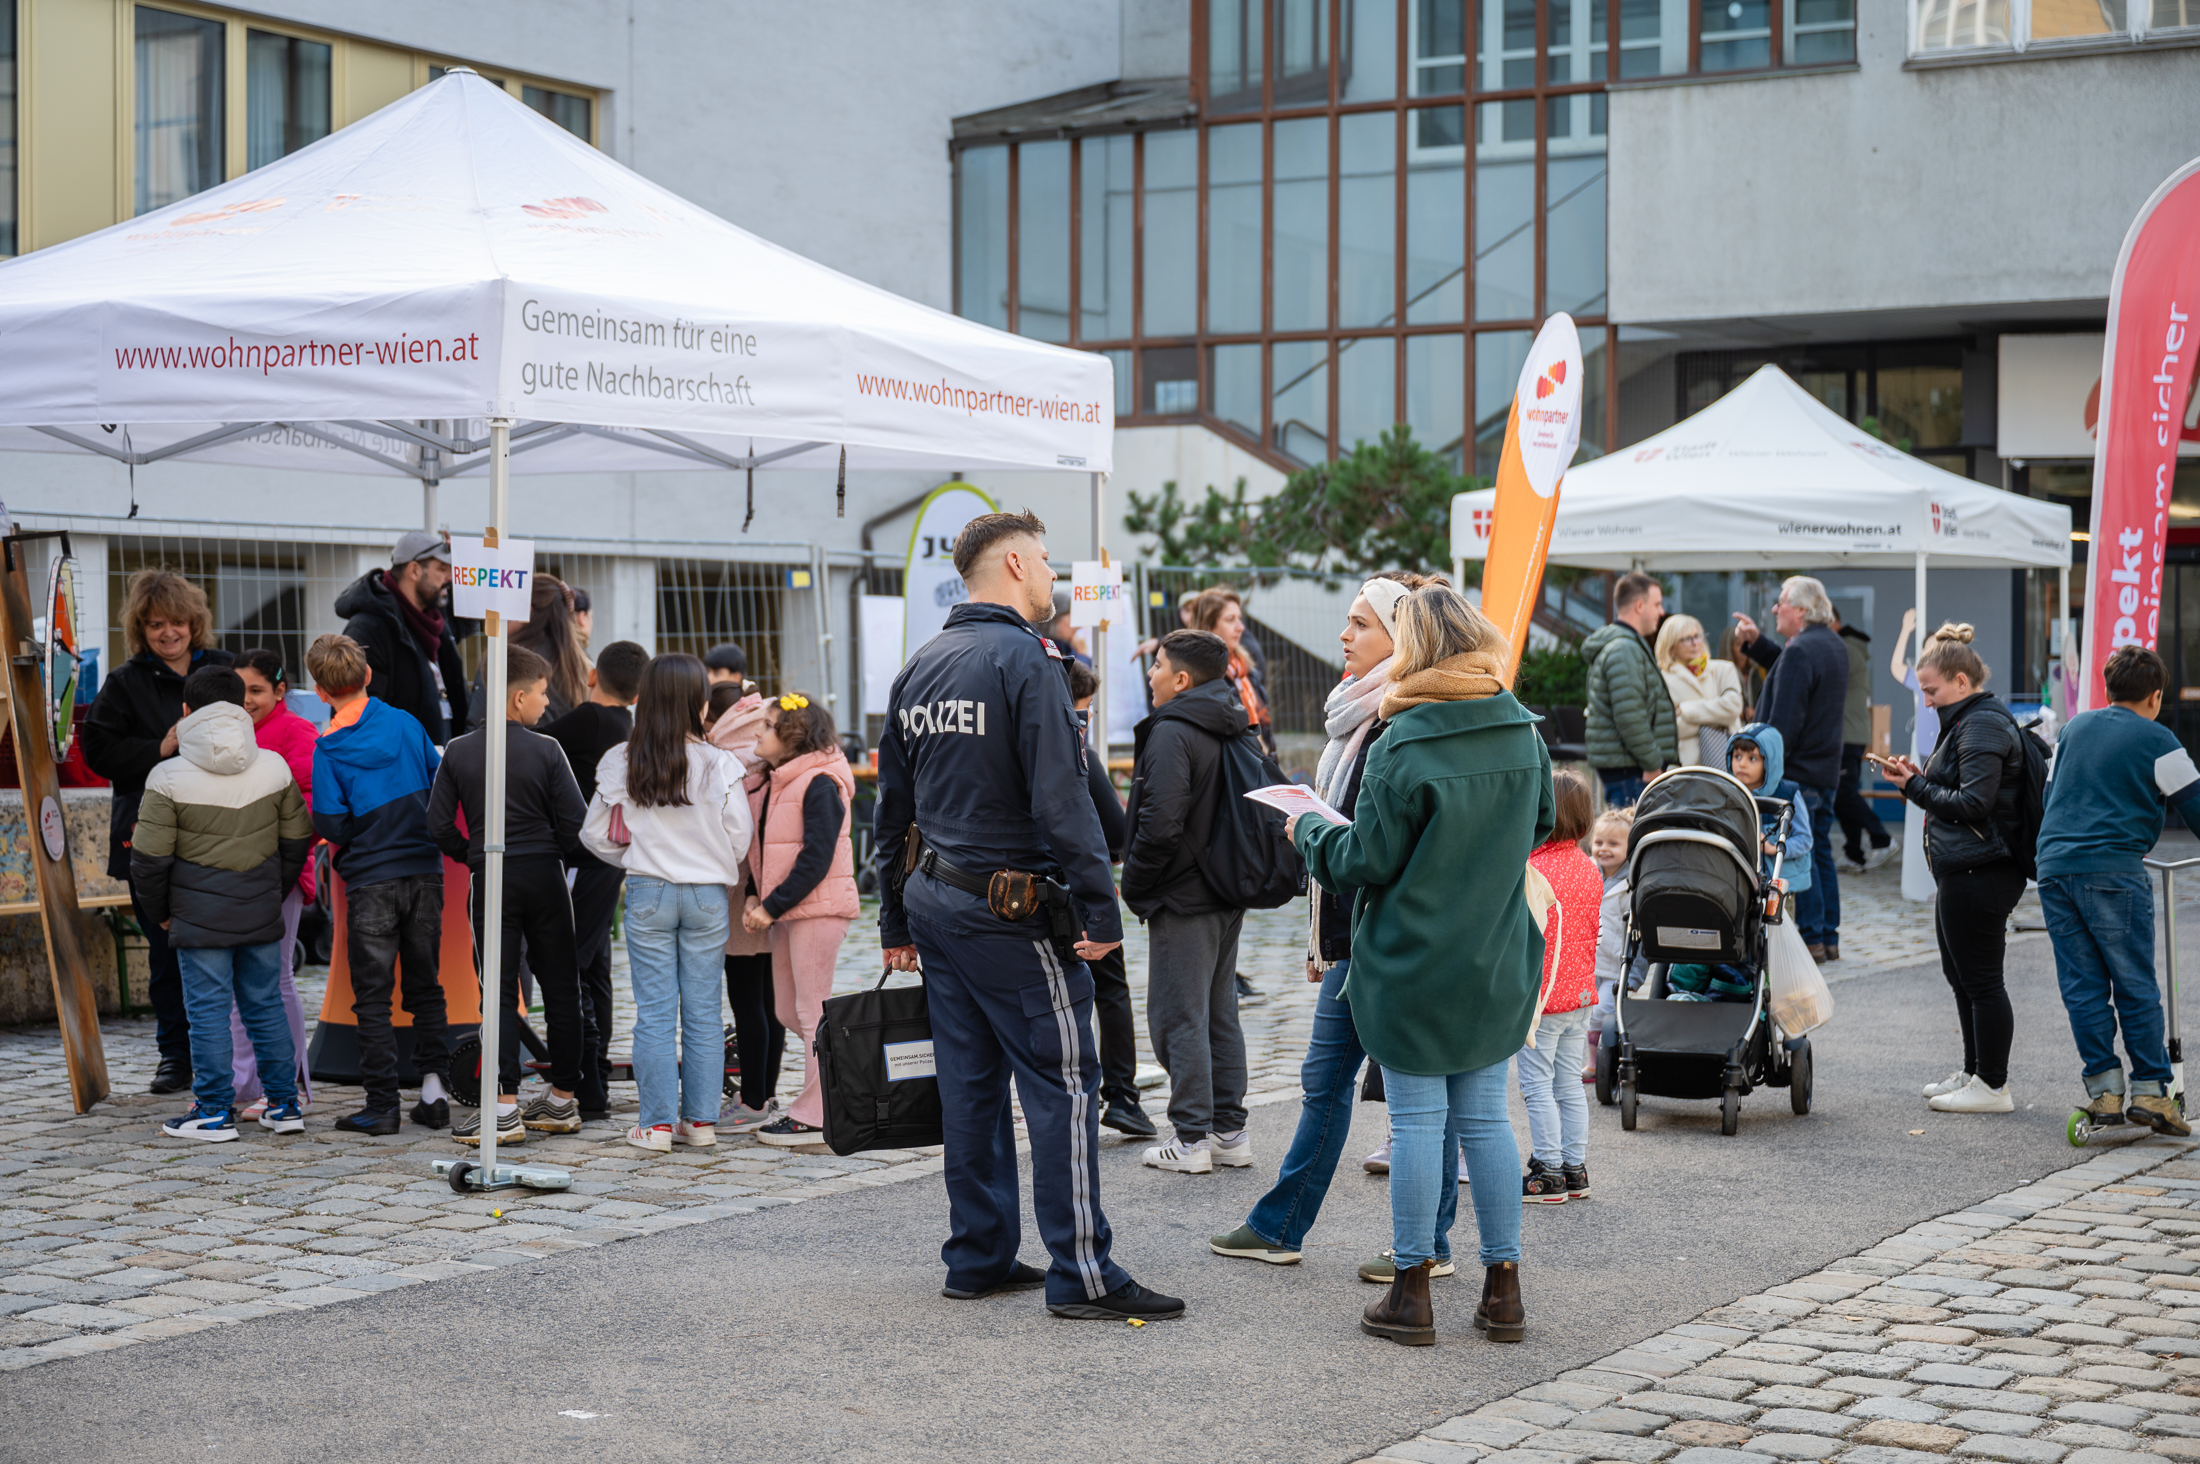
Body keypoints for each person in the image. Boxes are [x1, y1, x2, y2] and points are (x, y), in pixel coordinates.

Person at [875, 509, 1182, 1321]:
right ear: (1013, 564)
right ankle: (1083, 1272)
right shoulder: (1029, 660)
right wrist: (1100, 907)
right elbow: (1063, 799)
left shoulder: (922, 666)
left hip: (937, 901)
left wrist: (893, 921)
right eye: (1046, 562)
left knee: (971, 1086)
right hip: (1011, 909)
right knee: (1067, 1084)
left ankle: (977, 1255)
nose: (1053, 576)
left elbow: (893, 808)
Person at [1290, 585, 1548, 1347]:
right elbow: (1535, 827)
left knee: (1417, 1122)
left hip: (1412, 959)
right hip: (1495, 955)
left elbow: (1362, 859)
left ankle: (1412, 1293)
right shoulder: (1523, 731)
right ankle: (1504, 1293)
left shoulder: (1405, 738)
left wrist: (1307, 827)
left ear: (1417, 651)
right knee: (1488, 1123)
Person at [1210, 574, 1444, 1267]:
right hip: (1351, 935)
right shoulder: (1357, 714)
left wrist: (1313, 833)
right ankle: (1282, 1226)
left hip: (1393, 939)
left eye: (1360, 623)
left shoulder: (1402, 720)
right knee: (1323, 1080)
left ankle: (1427, 1246)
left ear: (1399, 638)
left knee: (1418, 1103)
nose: (1344, 635)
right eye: (1346, 621)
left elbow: (1379, 847)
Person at [583, 653, 752, 1154]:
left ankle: (654, 1125)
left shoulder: (622, 758)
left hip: (648, 891)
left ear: (646, 698)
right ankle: (700, 1122)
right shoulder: (720, 763)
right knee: (702, 1011)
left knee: (655, 1012)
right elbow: (738, 837)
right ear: (701, 703)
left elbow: (594, 834)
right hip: (706, 895)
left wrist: (633, 852)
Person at [136, 665, 313, 1142]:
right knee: (265, 1006)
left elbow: (149, 862)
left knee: (209, 1013)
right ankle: (284, 1105)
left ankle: (213, 1111)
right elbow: (298, 840)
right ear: (240, 708)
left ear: (186, 711)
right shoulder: (273, 765)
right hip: (258, 908)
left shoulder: (167, 776)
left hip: (197, 917)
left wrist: (163, 914)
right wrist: (269, 891)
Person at [429, 645, 591, 1147]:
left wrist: (471, 854)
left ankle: (502, 1106)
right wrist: (556, 856)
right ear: (518, 697)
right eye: (542, 694)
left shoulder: (457, 750)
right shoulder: (547, 750)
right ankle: (562, 1097)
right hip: (544, 874)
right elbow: (577, 825)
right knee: (562, 986)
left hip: (491, 875)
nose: (546, 703)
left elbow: (437, 824)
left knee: (496, 992)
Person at [81, 569, 235, 1094]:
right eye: (154, 625)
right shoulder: (125, 683)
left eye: (176, 622)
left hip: (219, 830)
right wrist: (159, 749)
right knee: (166, 953)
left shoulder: (223, 669)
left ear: (195, 622)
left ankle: (231, 1055)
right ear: (140, 630)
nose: (168, 633)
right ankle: (176, 1056)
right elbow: (97, 753)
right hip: (148, 837)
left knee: (225, 952)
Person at [2038, 645, 2200, 1137]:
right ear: (2155, 697)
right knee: (2133, 981)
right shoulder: (2159, 739)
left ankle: (2104, 1092)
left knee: (2081, 984)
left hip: (2054, 866)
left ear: (2108, 690)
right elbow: (2194, 806)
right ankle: (2151, 1091)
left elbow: (2050, 798)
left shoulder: (2072, 729)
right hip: (2113, 870)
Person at [308, 633, 454, 1134]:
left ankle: (381, 1104)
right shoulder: (406, 722)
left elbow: (329, 822)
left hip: (371, 879)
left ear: (320, 691)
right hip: (425, 872)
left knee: (372, 995)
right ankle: (435, 1095)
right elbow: (442, 782)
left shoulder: (327, 747)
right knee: (426, 985)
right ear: (368, 676)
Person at [1121, 629, 1253, 1176]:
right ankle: (1229, 1132)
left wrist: (1136, 884)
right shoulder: (1234, 720)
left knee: (1179, 1014)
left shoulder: (1174, 728)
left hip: (1184, 893)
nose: (1149, 674)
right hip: (1227, 888)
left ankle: (1192, 1139)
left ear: (1180, 678)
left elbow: (1160, 821)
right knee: (1219, 1012)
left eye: (1156, 665)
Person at [1879, 625, 2025, 1116]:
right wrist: (1917, 779)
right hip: (1965, 868)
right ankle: (1975, 1071)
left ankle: (1993, 1085)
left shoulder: (1980, 723)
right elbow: (1962, 789)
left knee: (1981, 979)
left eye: (1931, 690)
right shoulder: (1968, 719)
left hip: (1981, 868)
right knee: (1962, 975)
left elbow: (1973, 803)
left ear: (1961, 682)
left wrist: (1915, 790)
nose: (1925, 700)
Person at [740, 692, 859, 1148]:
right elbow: (766, 851)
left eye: (767, 726)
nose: (758, 732)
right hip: (791, 910)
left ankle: (816, 1114)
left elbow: (816, 859)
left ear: (791, 735)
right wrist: (757, 896)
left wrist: (770, 907)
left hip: (817, 910)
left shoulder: (820, 781)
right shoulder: (780, 780)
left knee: (812, 1012)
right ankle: (835, 1085)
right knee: (788, 1010)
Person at [542, 640, 649, 1120]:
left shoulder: (585, 721)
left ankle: (586, 1086)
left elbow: (534, 740)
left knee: (574, 966)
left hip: (581, 859)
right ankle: (597, 1071)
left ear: (591, 678)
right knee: (597, 967)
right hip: (612, 861)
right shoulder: (630, 726)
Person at [1733, 576, 1848, 962]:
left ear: (1799, 610)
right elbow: (1790, 668)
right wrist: (1757, 643)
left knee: (1801, 858)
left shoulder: (1801, 650)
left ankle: (1812, 939)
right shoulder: (1831, 642)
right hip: (1824, 769)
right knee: (1820, 853)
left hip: (1798, 773)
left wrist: (1763, 768)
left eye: (1781, 602)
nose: (1774, 609)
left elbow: (1783, 724)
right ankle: (1828, 937)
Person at [227, 649, 317, 1118]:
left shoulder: (295, 732)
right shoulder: (230, 732)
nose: (247, 700)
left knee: (275, 979)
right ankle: (245, 1083)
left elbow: (310, 802)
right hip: (238, 871)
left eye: (257, 691)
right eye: (239, 691)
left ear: (280, 691)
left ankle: (289, 1085)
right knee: (243, 983)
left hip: (280, 871)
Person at [1067, 658, 1151, 1138]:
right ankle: (1121, 1096)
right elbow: (1118, 829)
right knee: (1109, 991)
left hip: (1014, 895)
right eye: (1087, 707)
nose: (1090, 716)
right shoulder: (1077, 747)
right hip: (1082, 894)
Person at [1517, 771, 1600, 1204]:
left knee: (1537, 1086)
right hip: (1580, 996)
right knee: (1568, 1085)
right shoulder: (1591, 869)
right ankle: (1575, 1167)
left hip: (1542, 998)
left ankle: (1546, 1170)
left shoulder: (1533, 868)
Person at [705, 676, 783, 1132]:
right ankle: (765, 1094)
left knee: (745, 999)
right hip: (770, 889)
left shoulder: (722, 756)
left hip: (740, 892)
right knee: (768, 1001)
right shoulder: (767, 749)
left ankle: (752, 1100)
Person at [334, 530, 470, 743]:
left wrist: (469, 558)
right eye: (442, 569)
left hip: (435, 763)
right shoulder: (369, 628)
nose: (450, 578)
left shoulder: (432, 620)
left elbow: (470, 612)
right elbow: (359, 715)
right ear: (414, 571)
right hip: (401, 767)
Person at [1583, 571, 1677, 809]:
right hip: (1633, 772)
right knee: (1630, 843)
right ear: (1639, 605)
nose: (1661, 612)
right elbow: (1629, 715)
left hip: (1629, 768)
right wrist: (1652, 764)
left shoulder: (1624, 645)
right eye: (1657, 604)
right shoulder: (1624, 649)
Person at [469, 574, 589, 727]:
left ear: (527, 612)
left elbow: (477, 721)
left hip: (509, 749)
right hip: (557, 750)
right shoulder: (579, 662)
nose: (500, 614)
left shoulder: (504, 660)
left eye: (508, 605)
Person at [1187, 587, 1275, 761]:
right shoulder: (1200, 678)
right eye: (1230, 620)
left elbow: (1265, 731)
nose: (1241, 627)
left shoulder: (1245, 670)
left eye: (1240, 619)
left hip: (1261, 767)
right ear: (1208, 626)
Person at [1835, 614, 1892, 871]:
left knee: (1844, 793)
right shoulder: (1853, 649)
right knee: (1842, 796)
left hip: (1846, 733)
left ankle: (1882, 839)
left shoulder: (1845, 649)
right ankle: (1854, 853)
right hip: (1850, 733)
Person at [1655, 614, 1742, 768]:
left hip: (1726, 763)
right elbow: (1668, 729)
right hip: (1684, 768)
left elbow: (1734, 707)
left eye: (1697, 636)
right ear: (1671, 647)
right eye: (1687, 639)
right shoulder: (1662, 679)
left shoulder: (1724, 669)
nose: (1695, 643)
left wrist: (1686, 709)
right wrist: (1719, 718)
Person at [1586, 807, 1636, 1058]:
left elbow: (1641, 936)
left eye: (1613, 844)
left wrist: (1636, 974)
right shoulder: (1588, 874)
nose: (1603, 849)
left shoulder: (1632, 887)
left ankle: (1604, 1062)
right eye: (1598, 842)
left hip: (1616, 968)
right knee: (1587, 1015)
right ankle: (1594, 1064)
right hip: (1590, 962)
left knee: (1600, 1014)